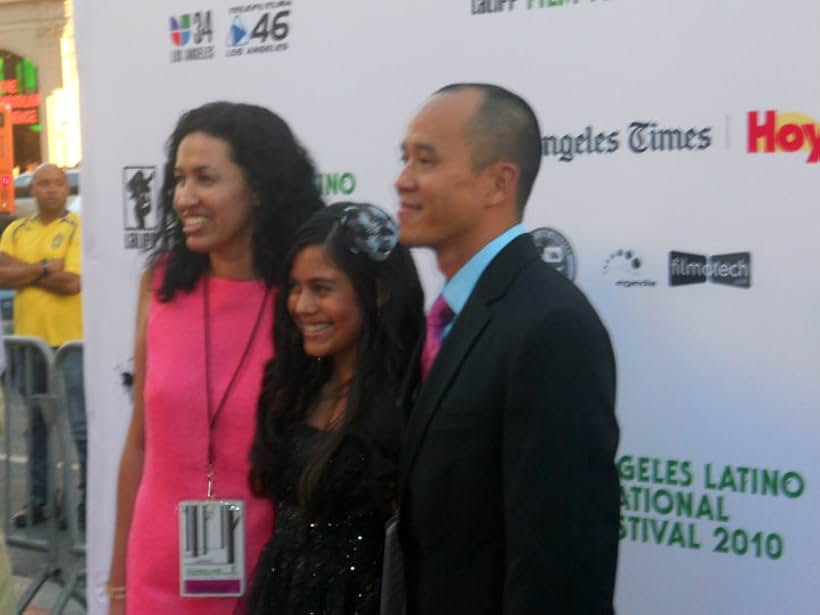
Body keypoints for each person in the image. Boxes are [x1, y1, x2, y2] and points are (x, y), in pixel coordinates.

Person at [395, 83, 620, 614]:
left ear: (498, 182)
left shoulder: (550, 326)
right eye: (404, 158)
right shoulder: (453, 315)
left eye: (424, 160)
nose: (402, 180)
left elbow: (563, 565)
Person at [107, 101, 323, 615]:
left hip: (268, 577)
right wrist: (116, 584)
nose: (184, 197)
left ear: (259, 188)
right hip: (156, 571)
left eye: (205, 178)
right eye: (179, 179)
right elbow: (139, 443)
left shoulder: (303, 303)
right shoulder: (158, 286)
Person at [245, 202, 424, 614]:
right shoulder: (297, 388)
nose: (302, 306)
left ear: (376, 292)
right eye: (295, 287)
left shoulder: (411, 402)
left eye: (322, 288)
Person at [0, 162, 86, 529]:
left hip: (69, 345)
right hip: (29, 346)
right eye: (43, 183)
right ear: (31, 191)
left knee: (79, 426)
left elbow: (73, 283)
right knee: (35, 427)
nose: (51, 189)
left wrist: (27, 271)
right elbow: (2, 274)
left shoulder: (78, 227)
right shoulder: (16, 229)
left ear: (67, 190)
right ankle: (37, 499)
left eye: (57, 183)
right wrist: (47, 268)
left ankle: (86, 500)